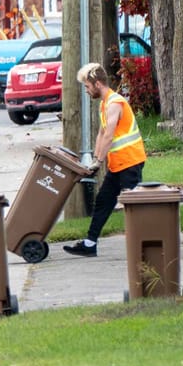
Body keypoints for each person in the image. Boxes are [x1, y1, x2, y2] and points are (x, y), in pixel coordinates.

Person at [63, 62, 147, 257]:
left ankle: (145, 244)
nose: (86, 90)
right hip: (119, 164)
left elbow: (109, 135)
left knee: (134, 206)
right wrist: (95, 159)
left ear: (98, 84)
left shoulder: (115, 103)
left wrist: (99, 162)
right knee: (103, 201)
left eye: (87, 86)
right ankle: (90, 244)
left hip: (130, 161)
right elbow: (101, 134)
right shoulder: (104, 104)